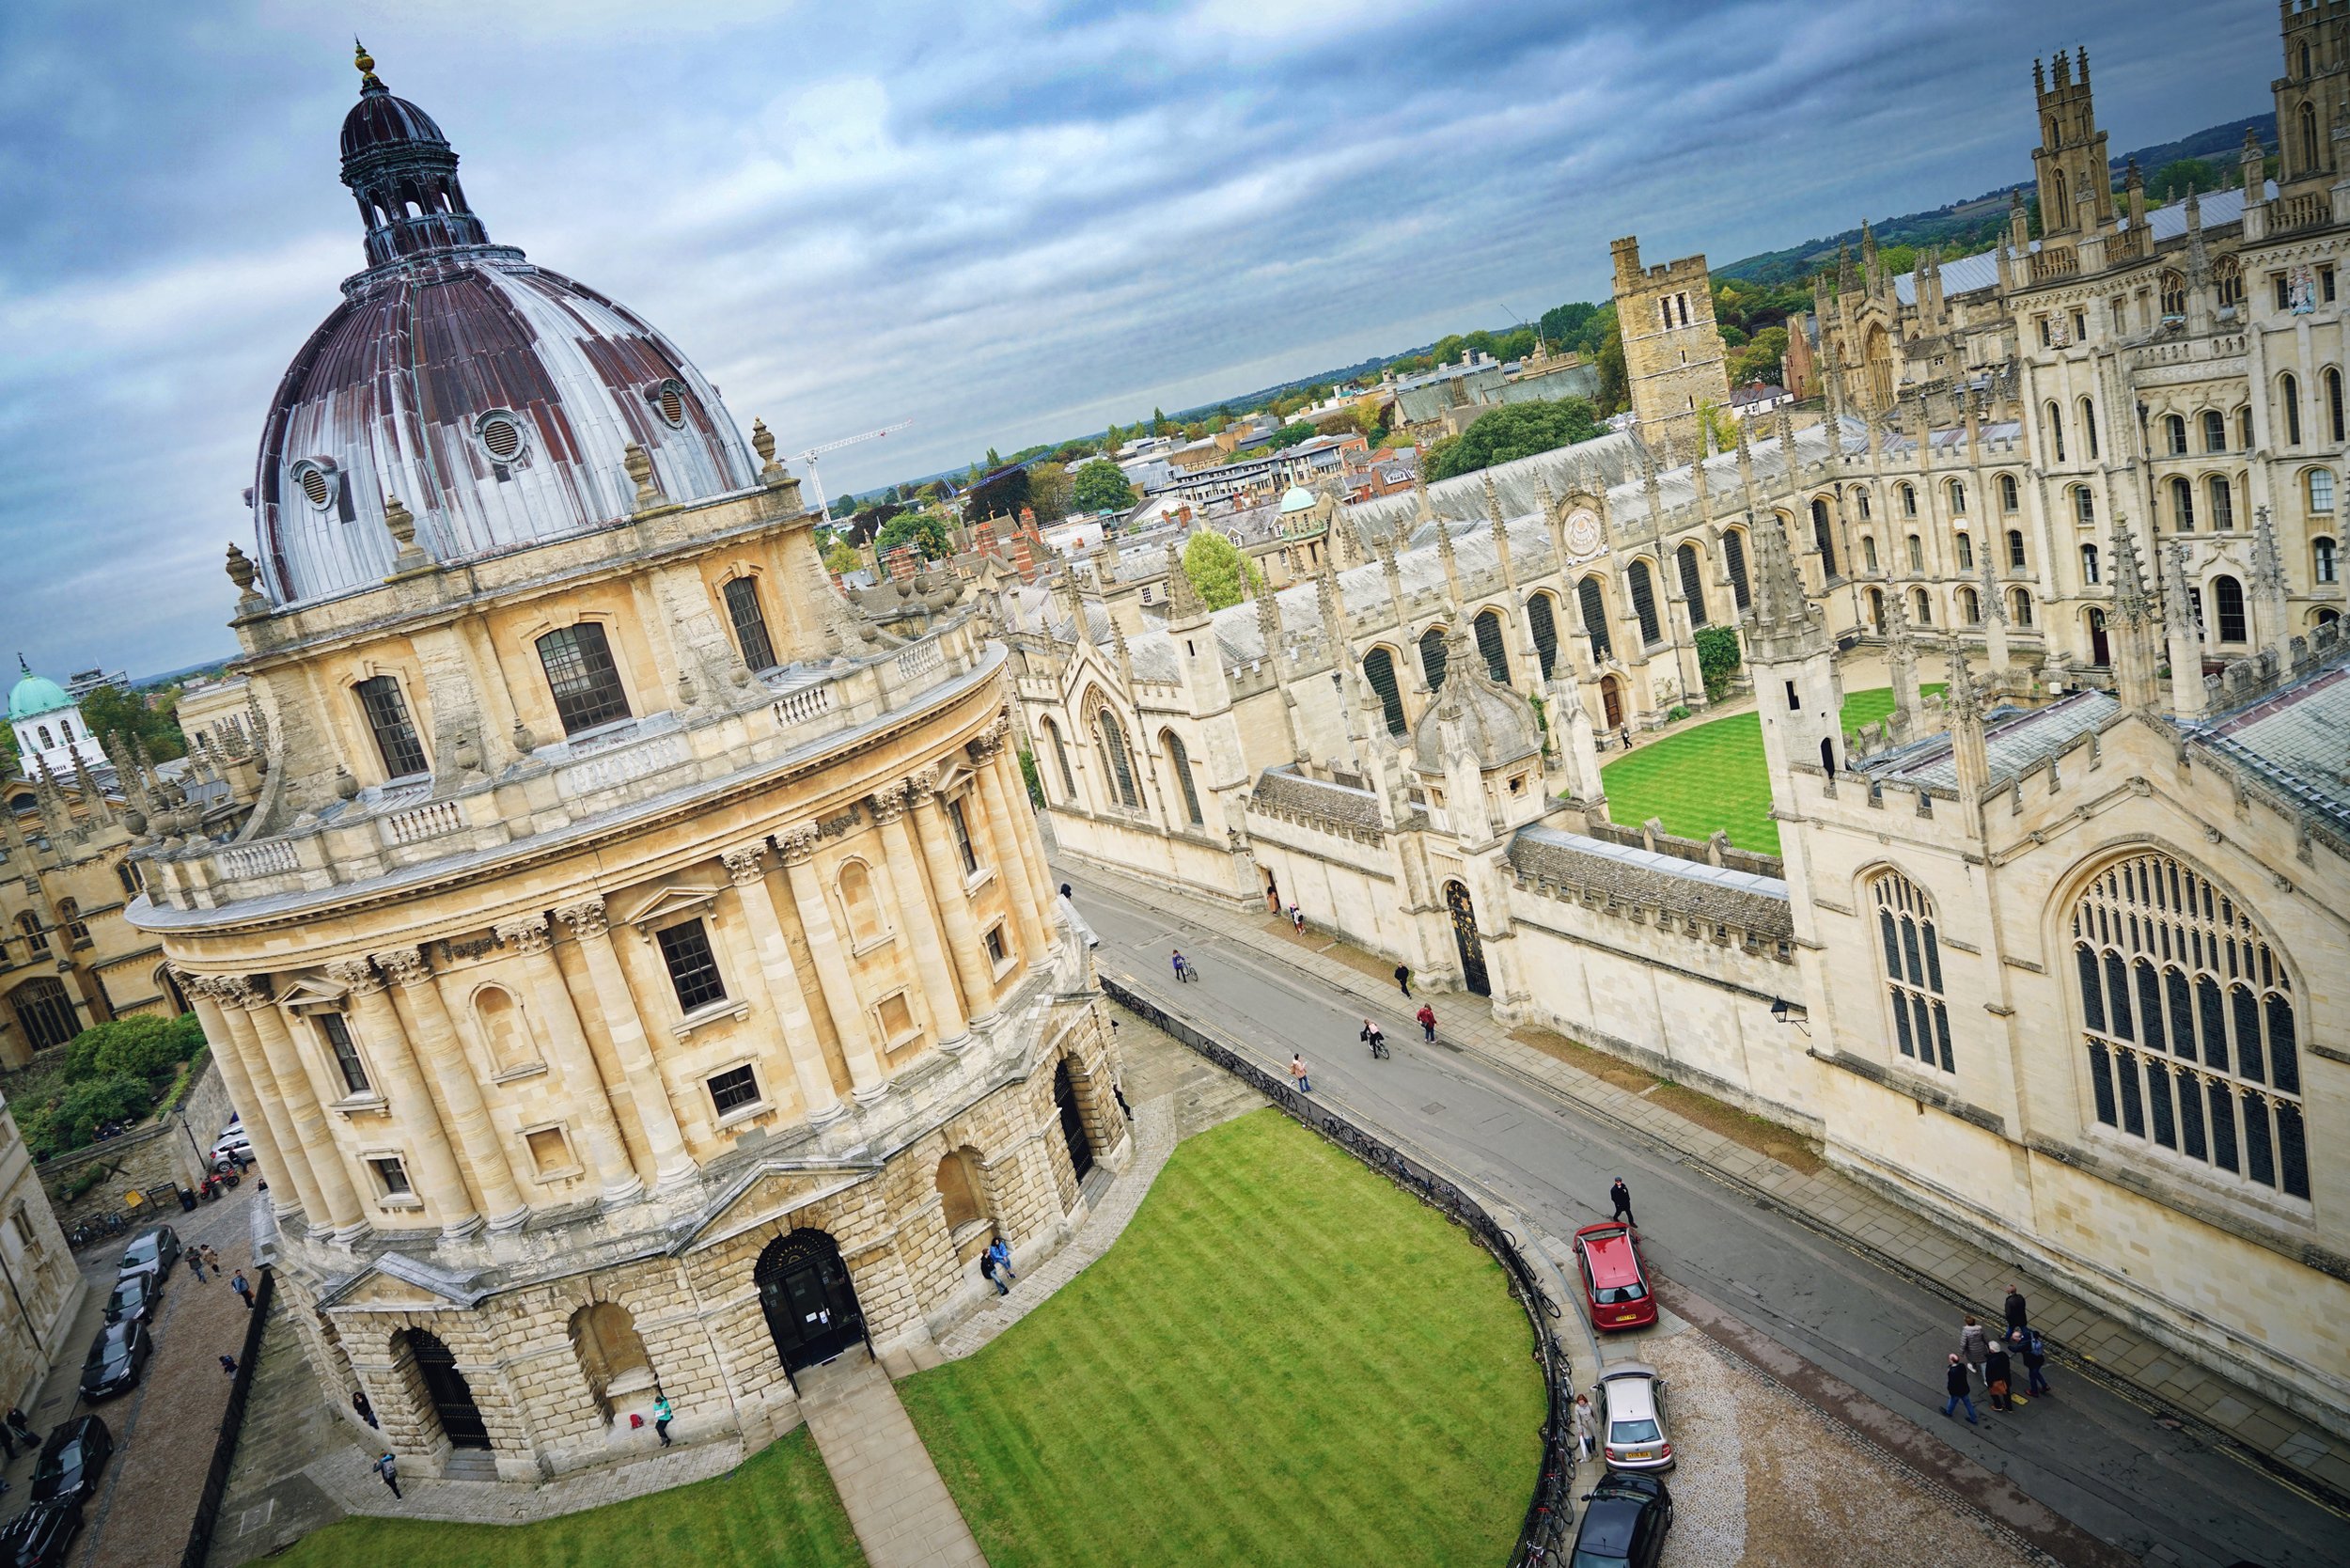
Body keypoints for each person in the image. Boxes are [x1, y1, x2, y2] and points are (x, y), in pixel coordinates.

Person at [2014, 1326, 2051, 1398]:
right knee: (2037, 1373)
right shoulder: (2037, 1343)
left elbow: (2017, 1349)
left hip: (2032, 1364)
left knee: (2032, 1377)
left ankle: (2034, 1392)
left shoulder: (2028, 1345)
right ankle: (2045, 1386)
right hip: (2039, 1361)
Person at [1942, 1355, 1979, 1424]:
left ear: (1951, 1361)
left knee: (1952, 1401)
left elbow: (1951, 1383)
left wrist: (1950, 1391)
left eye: (1949, 1358)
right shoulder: (1962, 1366)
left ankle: (1948, 1412)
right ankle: (1973, 1419)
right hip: (1964, 1389)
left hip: (1956, 1391)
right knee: (1968, 1404)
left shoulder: (1952, 1371)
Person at [1982, 1336, 2013, 1411]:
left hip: (1995, 1380)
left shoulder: (1991, 1361)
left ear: (1992, 1350)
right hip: (2006, 1378)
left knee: (1994, 1392)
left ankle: (1998, 1406)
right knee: (2006, 1392)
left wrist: (1989, 1383)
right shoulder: (2004, 1355)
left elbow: (1989, 1373)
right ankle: (2009, 1407)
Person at [1959, 1314, 1990, 1381]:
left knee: (1971, 1360)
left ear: (1966, 1322)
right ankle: (1986, 1380)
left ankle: (1973, 1368)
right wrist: (1989, 1347)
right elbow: (1986, 1339)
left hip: (1971, 1350)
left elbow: (1963, 1343)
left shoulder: (1965, 1331)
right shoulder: (1980, 1329)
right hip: (1981, 1349)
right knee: (1984, 1364)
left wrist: (1961, 1352)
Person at [1570, 1393, 1598, 1463]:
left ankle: (1594, 1449)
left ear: (1585, 1401)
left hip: (1591, 1422)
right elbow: (1578, 1419)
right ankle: (1589, 1453)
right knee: (1587, 1440)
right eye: (1579, 1402)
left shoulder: (1590, 1405)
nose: (1581, 1403)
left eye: (1582, 1402)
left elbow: (1594, 1413)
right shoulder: (1577, 1408)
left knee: (1593, 1437)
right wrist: (1580, 1430)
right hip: (1584, 1425)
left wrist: (1596, 1420)